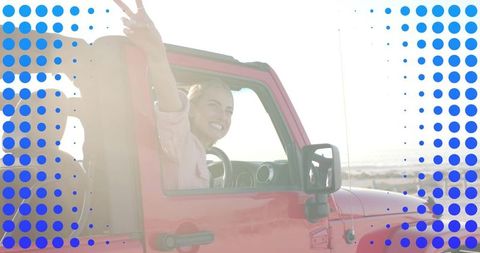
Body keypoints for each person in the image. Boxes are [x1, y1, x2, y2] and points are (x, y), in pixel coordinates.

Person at [113, 0, 234, 189]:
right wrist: (156, 52)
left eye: (229, 110)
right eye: (213, 105)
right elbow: (172, 110)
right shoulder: (181, 143)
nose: (223, 116)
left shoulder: (197, 153)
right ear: (191, 110)